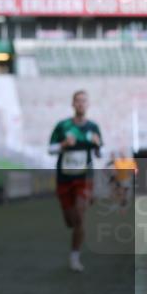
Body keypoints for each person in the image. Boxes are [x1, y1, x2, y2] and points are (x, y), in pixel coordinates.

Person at [48, 90, 102, 272]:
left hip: (84, 178)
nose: (80, 104)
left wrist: (97, 144)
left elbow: (98, 153)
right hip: (64, 178)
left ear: (88, 105)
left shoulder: (93, 127)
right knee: (70, 221)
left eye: (84, 101)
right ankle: (74, 228)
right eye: (77, 101)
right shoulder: (62, 126)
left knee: (79, 217)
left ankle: (74, 257)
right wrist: (63, 145)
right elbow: (50, 149)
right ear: (73, 104)